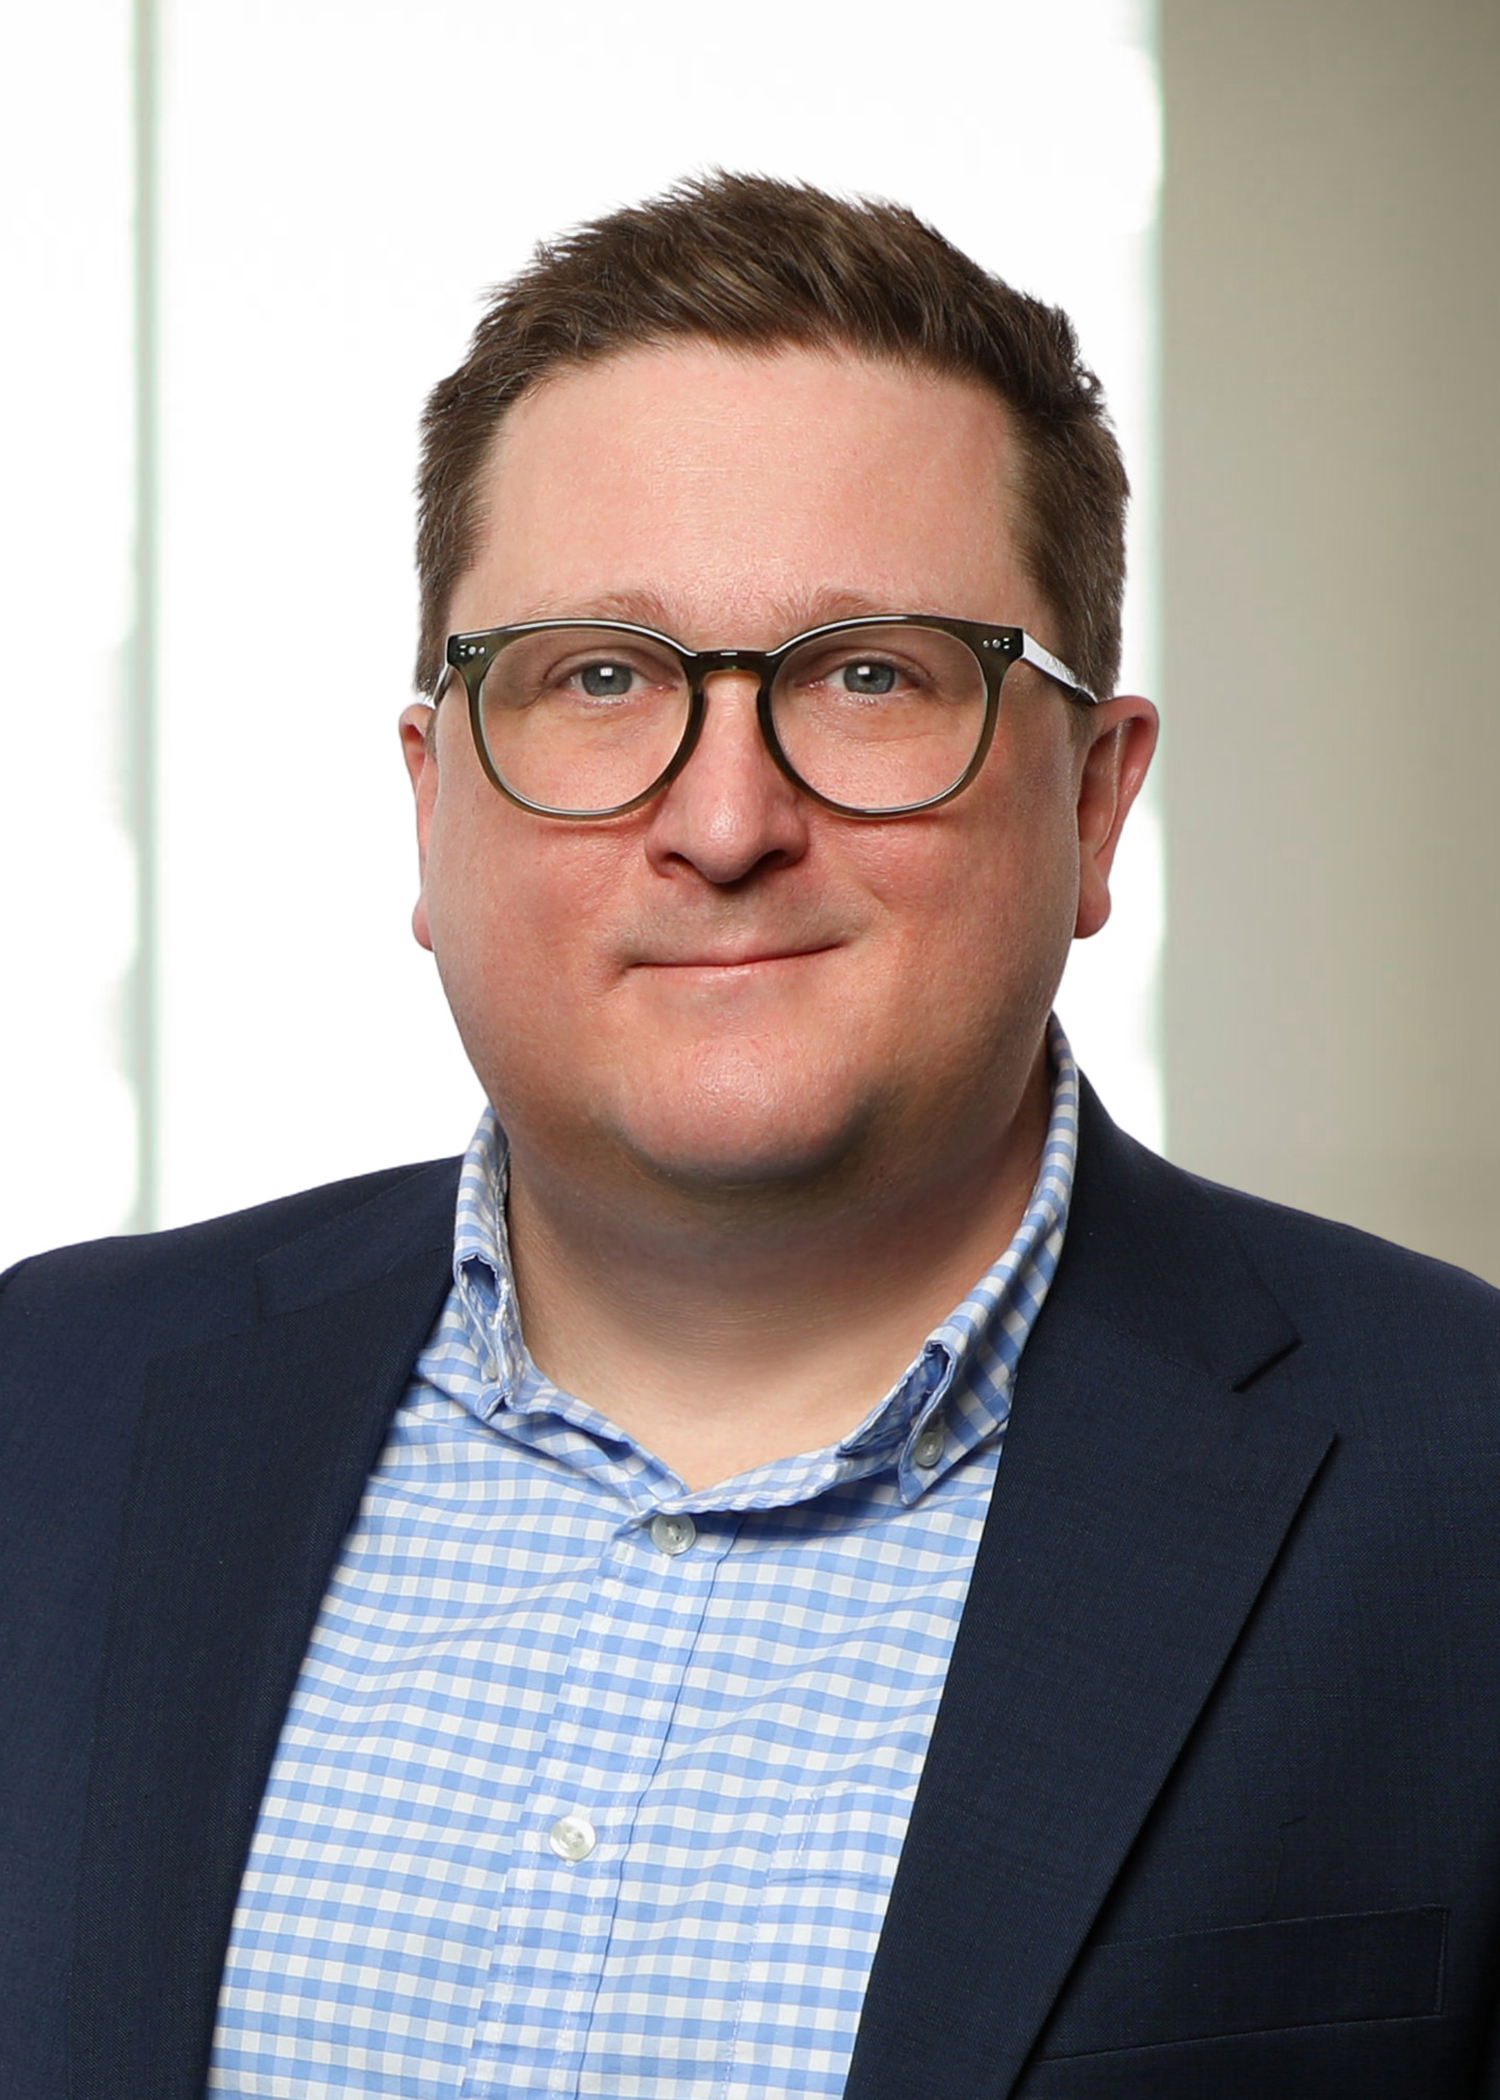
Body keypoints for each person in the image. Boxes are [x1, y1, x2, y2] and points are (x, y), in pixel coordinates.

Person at [2, 173, 1497, 2100]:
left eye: (870, 674)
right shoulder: (51, 1409)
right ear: (431, 804)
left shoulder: (1461, 1495)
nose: (723, 824)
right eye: (598, 676)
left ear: (1094, 804)